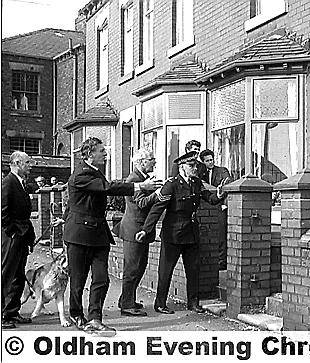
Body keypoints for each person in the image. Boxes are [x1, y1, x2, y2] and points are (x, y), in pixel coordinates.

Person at [63, 137, 161, 336]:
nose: (105, 153)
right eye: (101, 151)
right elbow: (108, 188)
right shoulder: (81, 174)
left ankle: (95, 319)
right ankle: (76, 314)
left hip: (98, 234)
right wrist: (140, 186)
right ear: (90, 154)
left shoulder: (96, 172)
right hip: (79, 235)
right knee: (78, 280)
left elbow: (107, 186)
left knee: (101, 279)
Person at [136, 151, 225, 314]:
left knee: (193, 269)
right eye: (191, 166)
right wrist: (146, 229)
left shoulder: (197, 183)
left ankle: (193, 303)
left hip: (191, 233)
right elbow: (157, 209)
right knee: (166, 270)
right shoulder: (171, 184)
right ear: (182, 167)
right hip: (173, 234)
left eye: (196, 166)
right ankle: (160, 303)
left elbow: (209, 199)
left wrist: (218, 195)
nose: (195, 169)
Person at [117, 148, 159, 316]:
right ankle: (127, 305)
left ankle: (126, 299)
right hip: (134, 230)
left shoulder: (142, 178)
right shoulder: (134, 179)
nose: (154, 162)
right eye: (152, 159)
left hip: (140, 229)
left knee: (140, 267)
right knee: (132, 269)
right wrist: (157, 193)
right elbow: (141, 203)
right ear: (142, 162)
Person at [1, 151, 35, 329]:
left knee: (18, 275)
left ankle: (11, 312)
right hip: (11, 237)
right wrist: (13, 232)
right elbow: (3, 212)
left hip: (21, 236)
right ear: (17, 163)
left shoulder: (21, 183)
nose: (30, 166)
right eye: (27, 163)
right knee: (6, 274)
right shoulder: (8, 183)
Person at [199, 149, 232, 270]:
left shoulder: (222, 171)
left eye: (212, 159)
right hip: (205, 209)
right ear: (203, 162)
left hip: (220, 206)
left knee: (221, 235)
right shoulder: (199, 172)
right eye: (207, 161)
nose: (210, 162)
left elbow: (227, 184)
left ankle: (222, 262)